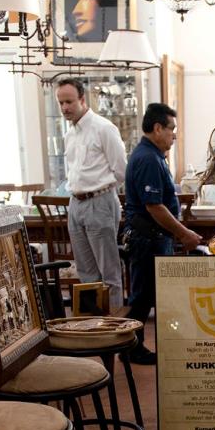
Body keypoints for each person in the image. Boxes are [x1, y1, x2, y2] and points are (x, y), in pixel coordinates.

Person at [123, 102, 202, 365]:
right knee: (143, 296)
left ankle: (135, 346)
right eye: (172, 129)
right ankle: (130, 348)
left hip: (154, 238)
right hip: (148, 239)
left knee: (149, 295)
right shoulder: (147, 159)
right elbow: (154, 206)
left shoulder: (153, 155)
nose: (174, 135)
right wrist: (184, 234)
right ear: (157, 128)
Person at [57, 78, 126, 307]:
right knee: (86, 273)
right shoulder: (70, 134)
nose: (65, 107)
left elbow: (121, 170)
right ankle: (94, 327)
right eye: (61, 103)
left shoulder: (104, 128)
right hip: (75, 204)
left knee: (109, 274)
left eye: (69, 102)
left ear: (82, 100)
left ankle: (116, 328)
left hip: (100, 201)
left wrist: (101, 190)